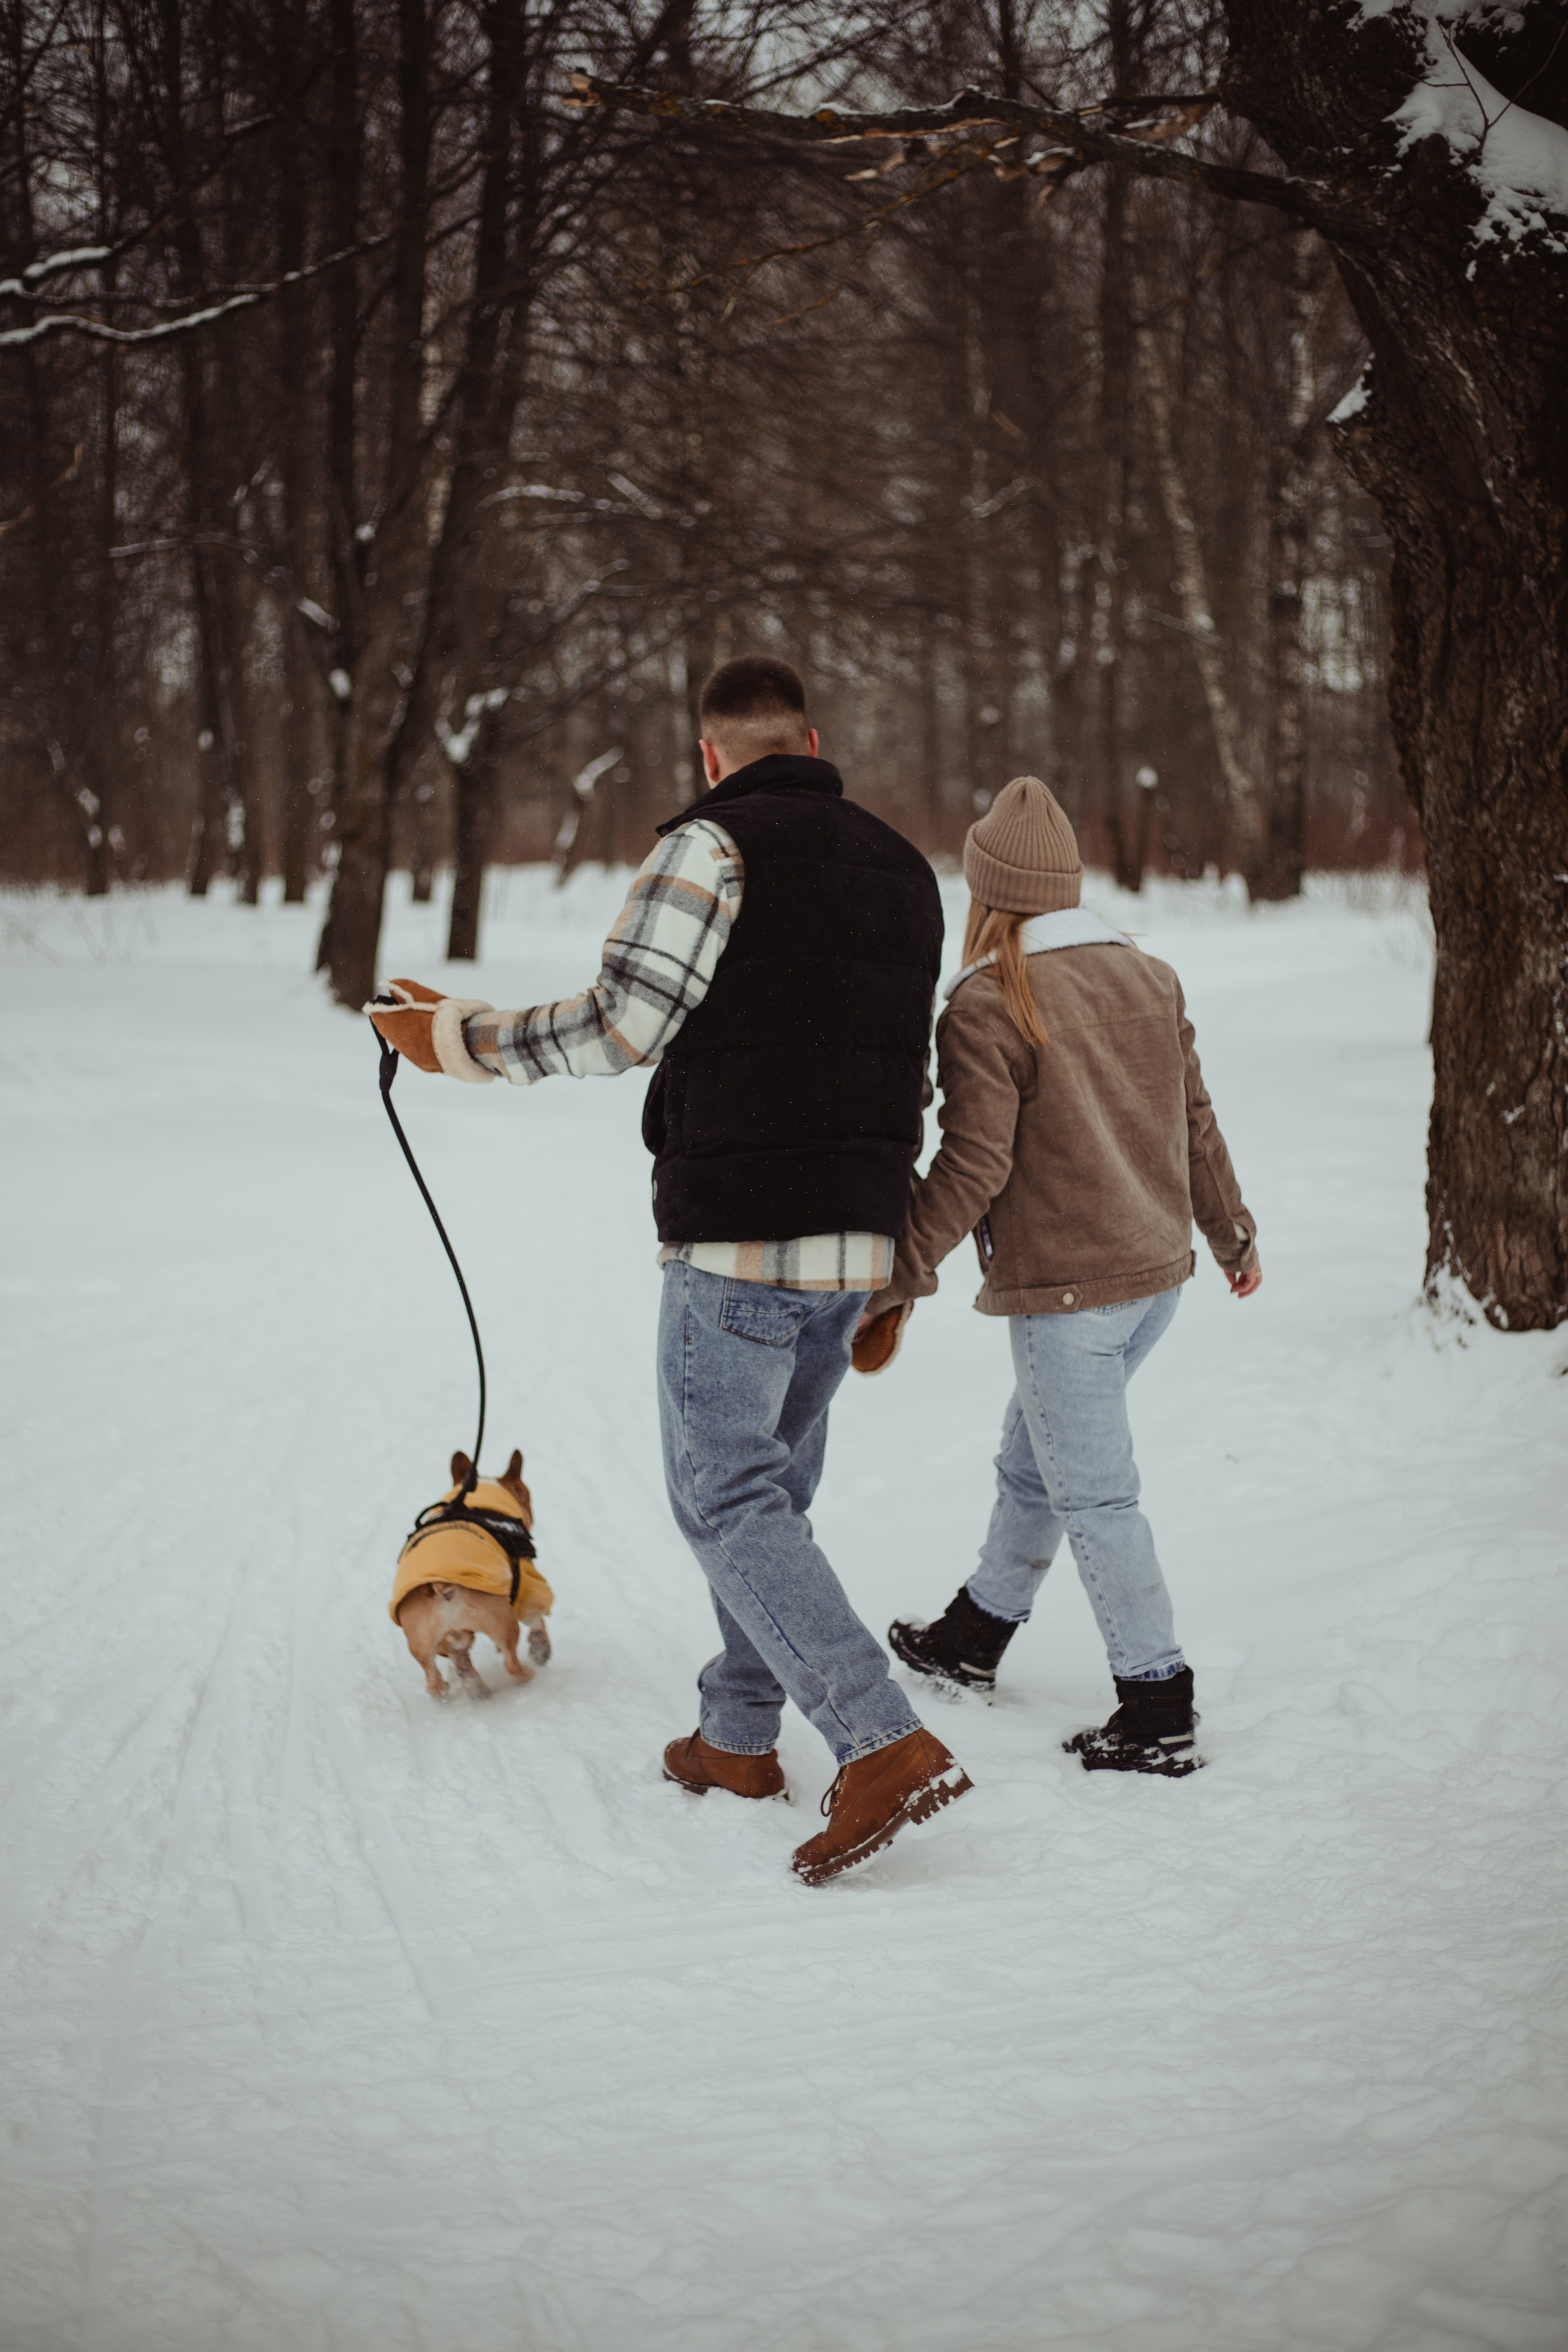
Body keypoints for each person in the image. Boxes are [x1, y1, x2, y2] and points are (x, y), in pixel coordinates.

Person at [369, 655, 972, 1882]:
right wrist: (894, 1266)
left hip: (739, 1235)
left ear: (710, 756)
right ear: (811, 741)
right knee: (768, 1499)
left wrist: (455, 1040)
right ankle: (736, 1736)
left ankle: (881, 1741)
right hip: (855, 1237)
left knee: (724, 1500)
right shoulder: (908, 871)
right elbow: (893, 1068)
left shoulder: (709, 850)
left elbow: (617, 1024)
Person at [861, 773, 1260, 1776]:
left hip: (1073, 1301)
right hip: (1153, 1284)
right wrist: (1234, 1238)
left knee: (1097, 1498)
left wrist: (900, 1271)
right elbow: (1196, 1125)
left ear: (988, 892)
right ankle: (974, 1636)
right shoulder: (1149, 973)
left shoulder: (990, 999)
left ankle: (1158, 1704)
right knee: (1034, 1460)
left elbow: (973, 1164)